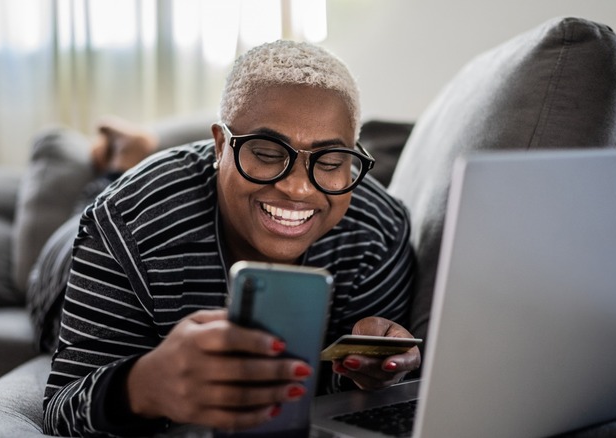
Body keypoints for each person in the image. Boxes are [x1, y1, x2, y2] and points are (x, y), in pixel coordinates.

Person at [42, 40, 420, 437]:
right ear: (220, 146)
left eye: (328, 162)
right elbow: (61, 409)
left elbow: (354, 394)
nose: (298, 189)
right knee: (86, 211)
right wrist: (141, 386)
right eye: (268, 152)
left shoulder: (379, 230)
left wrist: (369, 373)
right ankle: (118, 163)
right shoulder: (122, 222)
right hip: (63, 261)